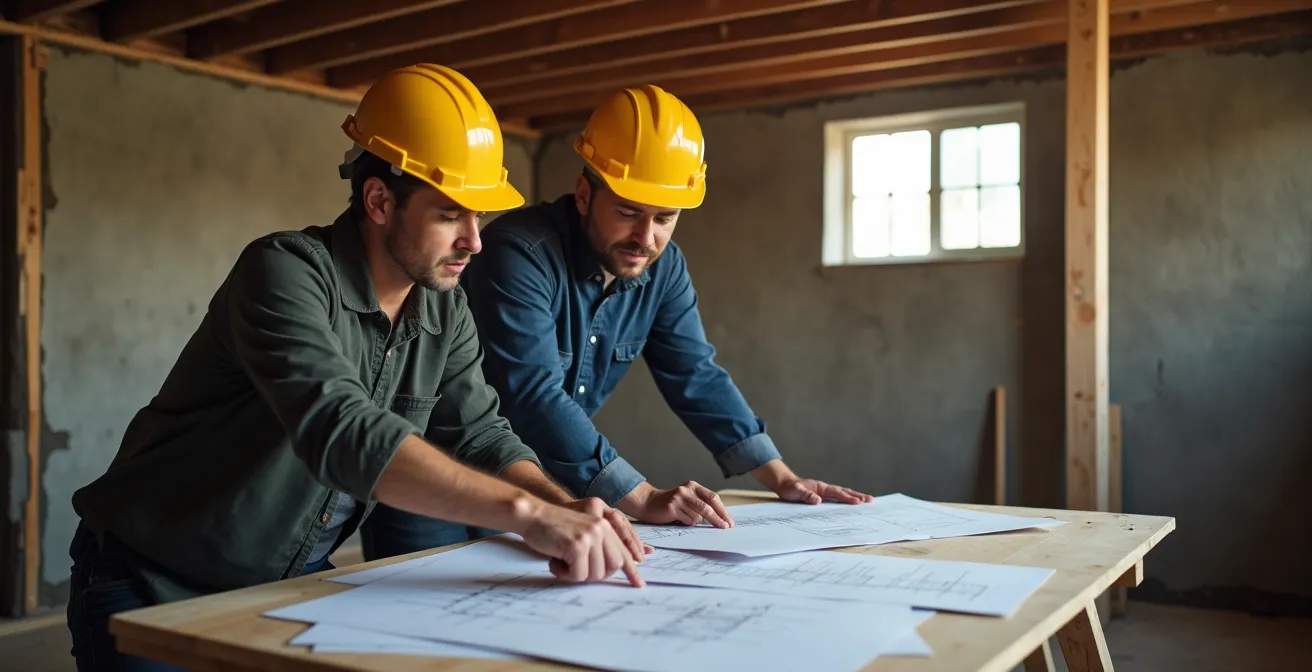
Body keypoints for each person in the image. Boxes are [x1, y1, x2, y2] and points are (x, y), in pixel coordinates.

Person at [65, 64, 645, 672]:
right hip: (150, 581)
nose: (475, 241)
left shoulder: (445, 307)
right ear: (378, 200)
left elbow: (482, 434)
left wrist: (562, 502)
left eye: (479, 216)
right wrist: (530, 517)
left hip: (285, 584)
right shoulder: (284, 271)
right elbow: (343, 430)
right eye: (451, 214)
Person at [359, 84, 873, 557]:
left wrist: (780, 477)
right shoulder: (519, 251)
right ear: (584, 195)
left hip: (549, 484)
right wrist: (640, 495)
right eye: (629, 212)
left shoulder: (663, 267)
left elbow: (695, 371)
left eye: (664, 218)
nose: (646, 237)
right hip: (439, 475)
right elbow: (531, 391)